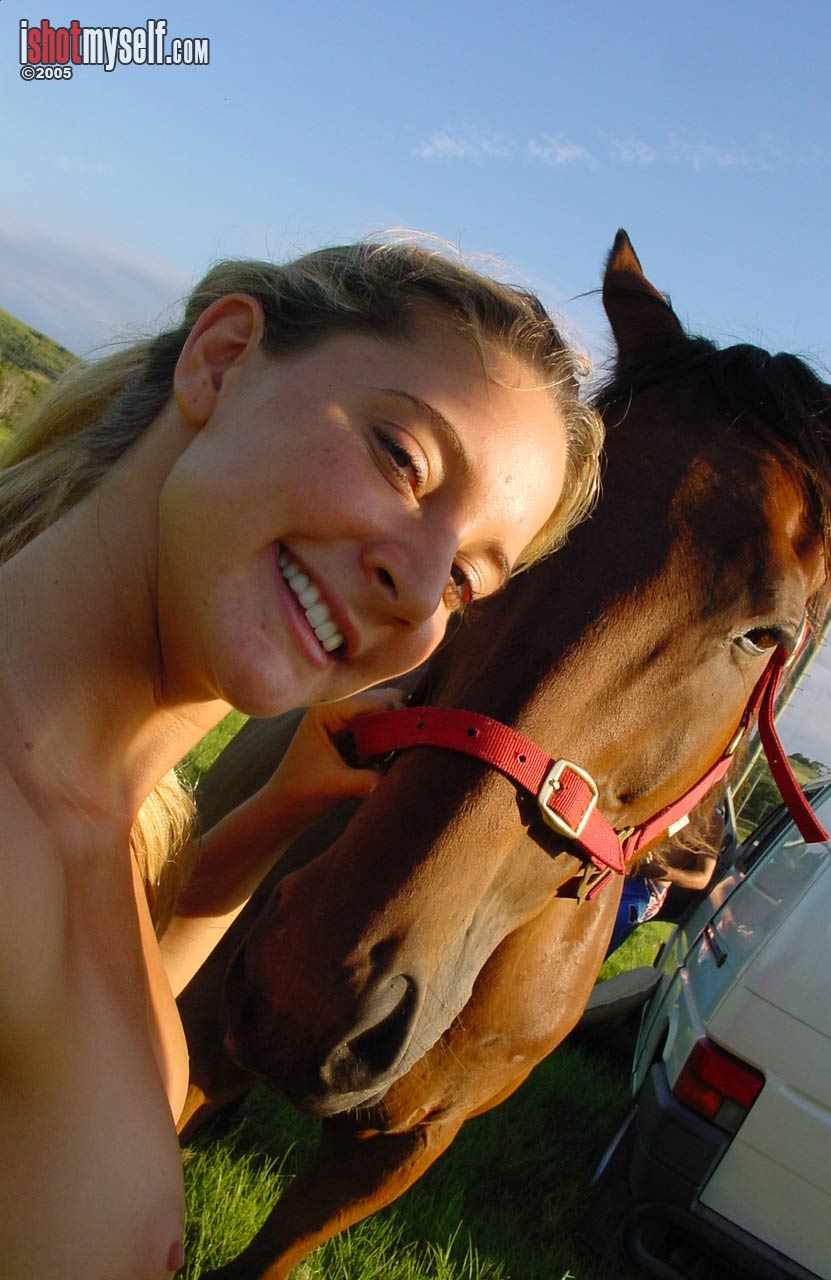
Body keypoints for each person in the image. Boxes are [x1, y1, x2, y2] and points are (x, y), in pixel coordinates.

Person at [0, 236, 604, 1278]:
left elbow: (85, 1043)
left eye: (467, 578)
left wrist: (275, 813)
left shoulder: (93, 831)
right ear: (221, 360)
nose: (422, 589)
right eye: (403, 458)